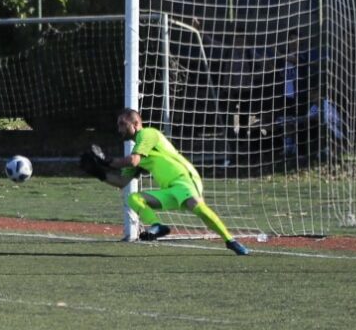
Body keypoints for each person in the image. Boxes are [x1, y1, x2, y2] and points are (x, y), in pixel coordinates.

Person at [100, 108, 247, 256]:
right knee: (134, 198)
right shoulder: (137, 151)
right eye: (118, 125)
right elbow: (121, 181)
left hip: (183, 179)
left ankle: (230, 241)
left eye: (122, 124)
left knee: (198, 208)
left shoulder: (147, 133)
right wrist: (98, 172)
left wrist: (107, 161)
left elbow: (133, 161)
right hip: (169, 190)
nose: (119, 129)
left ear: (136, 123)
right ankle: (157, 226)